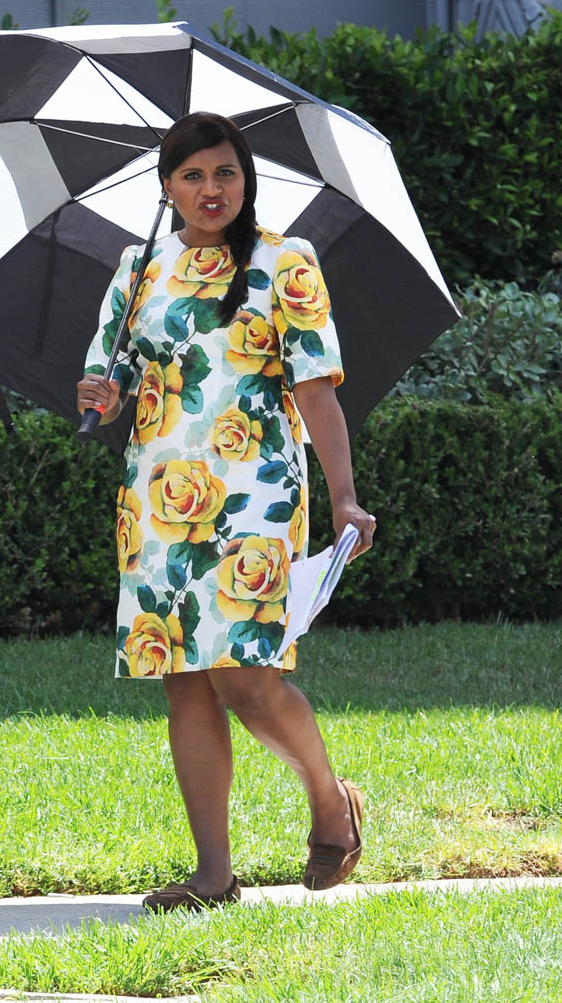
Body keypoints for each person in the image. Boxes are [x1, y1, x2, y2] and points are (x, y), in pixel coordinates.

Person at [76, 112, 376, 912]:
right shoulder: (138, 269)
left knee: (245, 675)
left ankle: (329, 799)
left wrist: (344, 495)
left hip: (258, 494)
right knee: (184, 682)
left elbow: (316, 388)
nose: (212, 189)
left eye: (226, 173)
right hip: (157, 500)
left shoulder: (285, 262)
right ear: (167, 188)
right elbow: (112, 386)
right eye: (193, 175)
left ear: (247, 180)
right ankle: (213, 876)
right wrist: (101, 394)